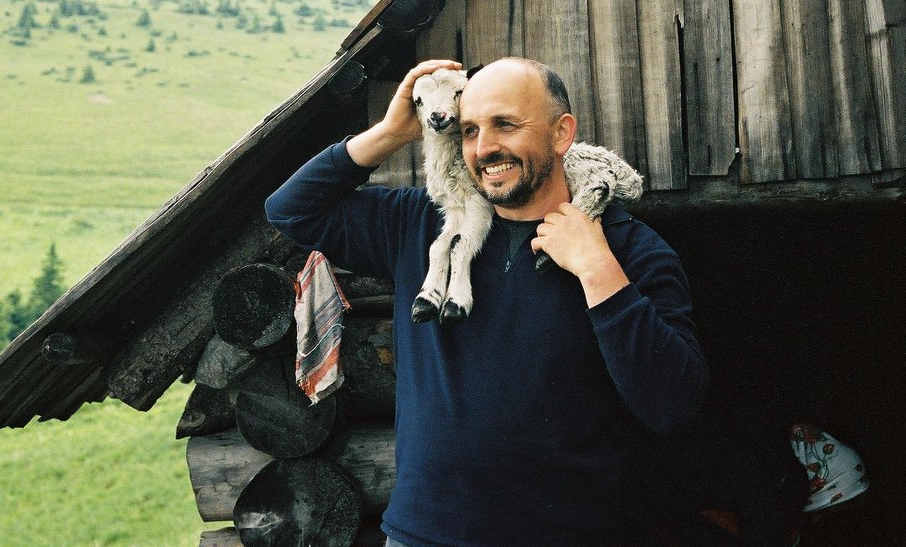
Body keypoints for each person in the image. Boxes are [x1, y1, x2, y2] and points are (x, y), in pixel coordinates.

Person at [266, 57, 709, 545]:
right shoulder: (420, 223)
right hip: (422, 536)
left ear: (561, 133)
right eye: (469, 130)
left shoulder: (631, 251)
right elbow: (290, 210)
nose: (484, 148)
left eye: (505, 124)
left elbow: (673, 405)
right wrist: (392, 132)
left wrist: (598, 270)